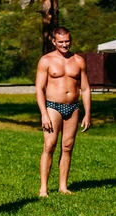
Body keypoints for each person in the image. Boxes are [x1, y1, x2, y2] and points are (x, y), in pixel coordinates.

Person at [35, 26, 91, 197]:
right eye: (61, 42)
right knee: (49, 145)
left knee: (67, 146)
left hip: (73, 107)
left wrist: (88, 113)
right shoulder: (46, 61)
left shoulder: (79, 60)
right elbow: (39, 88)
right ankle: (43, 188)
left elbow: (86, 88)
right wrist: (44, 113)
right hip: (53, 107)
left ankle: (63, 186)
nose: (65, 44)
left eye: (67, 41)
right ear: (53, 41)